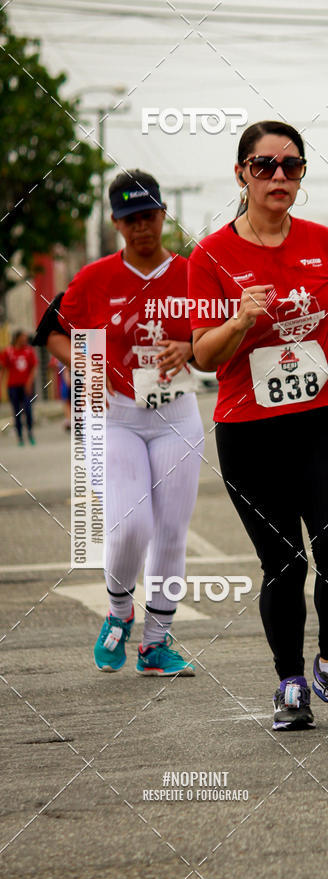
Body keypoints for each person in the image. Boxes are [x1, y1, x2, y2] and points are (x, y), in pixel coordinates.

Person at [189, 121, 328, 729]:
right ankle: (290, 683)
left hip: (321, 420)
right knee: (285, 564)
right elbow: (204, 356)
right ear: (241, 173)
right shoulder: (210, 255)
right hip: (250, 432)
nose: (279, 176)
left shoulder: (325, 241)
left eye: (291, 166)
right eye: (264, 166)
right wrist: (240, 321)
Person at [35, 169, 204, 676]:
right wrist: (83, 363)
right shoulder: (94, 278)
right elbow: (51, 332)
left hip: (177, 414)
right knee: (131, 527)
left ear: (163, 215)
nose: (142, 228)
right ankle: (118, 611)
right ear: (116, 223)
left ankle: (156, 645)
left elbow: (220, 339)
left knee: (172, 532)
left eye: (149, 216)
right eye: (130, 219)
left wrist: (193, 346)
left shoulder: (193, 273)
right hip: (117, 418)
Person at [0, 330, 38, 445]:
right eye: (23, 337)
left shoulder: (29, 351)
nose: (25, 340)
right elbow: (3, 369)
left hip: (25, 387)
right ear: (17, 338)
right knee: (16, 412)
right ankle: (20, 437)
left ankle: (30, 433)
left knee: (28, 410)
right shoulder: (8, 352)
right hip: (13, 386)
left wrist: (29, 383)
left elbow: (34, 368)